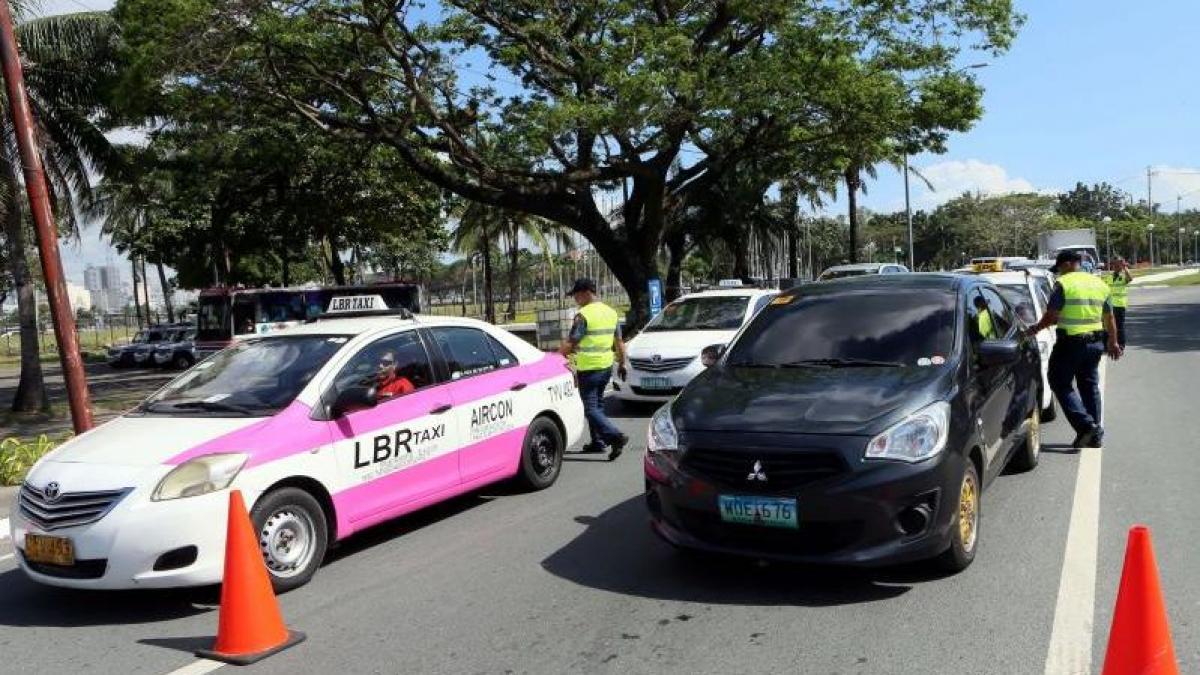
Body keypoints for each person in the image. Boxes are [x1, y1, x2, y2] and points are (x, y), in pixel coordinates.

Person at [1024, 250, 1122, 449]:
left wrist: (1035, 328)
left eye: (1059, 268)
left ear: (1068, 264)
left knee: (1058, 382)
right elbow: (1109, 318)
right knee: (1089, 386)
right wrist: (1113, 342)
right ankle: (1095, 436)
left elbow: (1051, 316)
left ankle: (1086, 426)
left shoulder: (1064, 284)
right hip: (1095, 343)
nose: (1059, 272)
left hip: (1071, 343)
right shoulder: (1100, 284)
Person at [559, 278, 630, 460]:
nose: (575, 299)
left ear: (585, 293)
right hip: (605, 366)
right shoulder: (611, 312)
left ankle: (615, 436)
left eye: (575, 295)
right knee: (598, 405)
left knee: (590, 408)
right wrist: (622, 363)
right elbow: (619, 342)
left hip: (589, 368)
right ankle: (598, 442)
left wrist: (554, 357)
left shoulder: (584, 315)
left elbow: (572, 341)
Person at [1104, 257, 1132, 348]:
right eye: (1114, 265)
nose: (1116, 267)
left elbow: (1130, 278)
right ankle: (1108, 345)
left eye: (1118, 265)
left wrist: (1125, 268)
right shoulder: (1109, 277)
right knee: (1108, 326)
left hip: (1120, 305)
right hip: (1110, 305)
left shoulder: (1123, 276)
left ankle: (1121, 345)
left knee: (1119, 327)